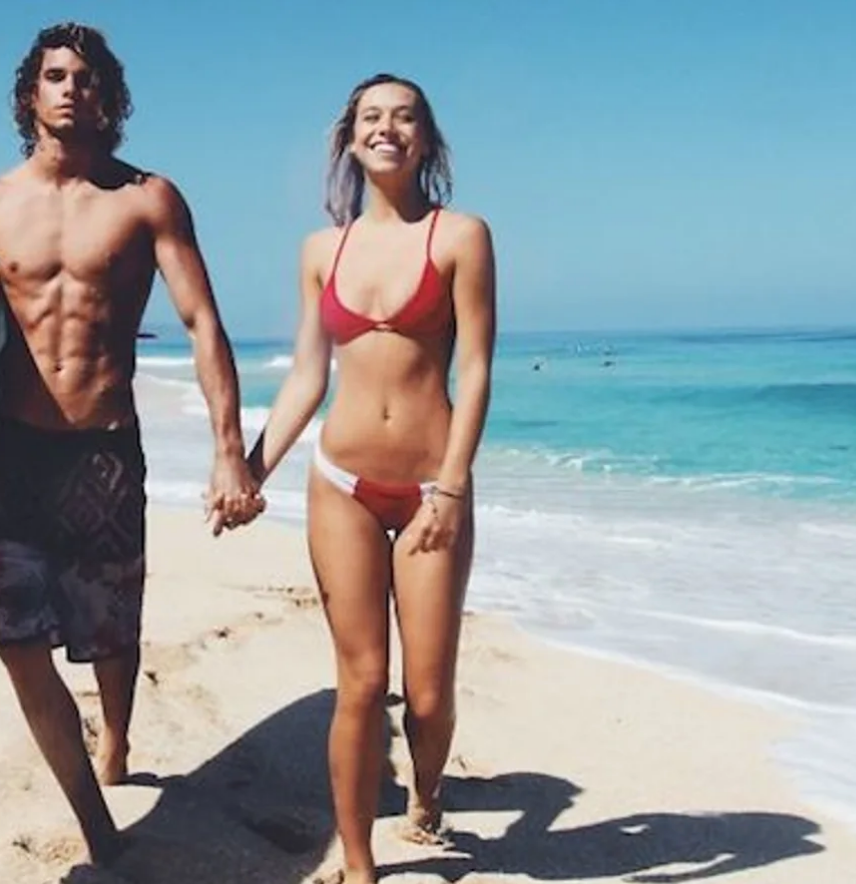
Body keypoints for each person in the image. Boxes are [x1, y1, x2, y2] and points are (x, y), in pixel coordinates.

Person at [0, 21, 264, 868]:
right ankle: (95, 822)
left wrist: (229, 449)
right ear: (29, 94)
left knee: (111, 633)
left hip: (104, 455)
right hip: (13, 454)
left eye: (86, 78)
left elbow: (201, 323)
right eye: (54, 75)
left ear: (108, 97)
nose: (69, 89)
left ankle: (117, 738)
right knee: (18, 642)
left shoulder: (147, 199)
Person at [240, 72, 497, 882]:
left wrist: (452, 487)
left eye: (404, 117)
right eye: (371, 117)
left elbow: (480, 368)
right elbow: (306, 377)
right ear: (351, 139)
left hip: (430, 489)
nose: (387, 128)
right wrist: (250, 469)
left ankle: (426, 793)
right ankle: (358, 864)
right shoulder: (323, 251)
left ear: (426, 138)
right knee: (362, 680)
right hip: (340, 481)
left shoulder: (460, 236)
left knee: (426, 695)